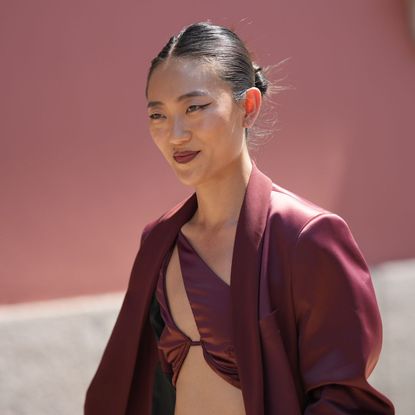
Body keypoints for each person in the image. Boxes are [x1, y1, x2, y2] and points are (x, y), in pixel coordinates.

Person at [84, 21, 395, 415]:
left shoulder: (306, 236)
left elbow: (346, 401)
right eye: (158, 116)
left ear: (248, 107)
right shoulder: (159, 242)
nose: (175, 134)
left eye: (195, 108)